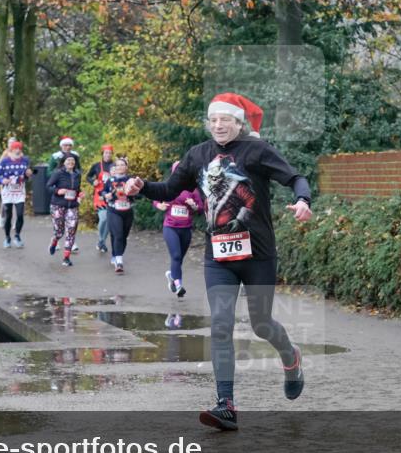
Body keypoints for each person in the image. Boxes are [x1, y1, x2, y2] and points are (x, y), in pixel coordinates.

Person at [125, 92, 313, 430]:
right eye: (213, 120)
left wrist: (302, 200)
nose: (218, 125)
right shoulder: (198, 155)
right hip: (219, 257)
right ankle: (226, 404)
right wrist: (142, 187)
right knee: (221, 325)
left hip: (258, 255)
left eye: (224, 119)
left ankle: (291, 357)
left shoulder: (257, 150)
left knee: (261, 324)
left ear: (239, 123)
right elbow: (169, 190)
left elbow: (295, 177)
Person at [153, 161, 203, 298]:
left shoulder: (193, 190)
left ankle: (172, 276)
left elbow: (200, 208)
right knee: (175, 256)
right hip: (170, 227)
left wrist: (194, 206)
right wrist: (159, 205)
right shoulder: (168, 187)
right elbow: (155, 199)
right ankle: (178, 285)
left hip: (186, 229)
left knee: (179, 259)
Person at [100, 156, 138, 273]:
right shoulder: (110, 180)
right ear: (115, 168)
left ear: (126, 167)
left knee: (123, 236)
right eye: (118, 165)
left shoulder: (131, 180)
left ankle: (116, 254)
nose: (120, 167)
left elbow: (139, 194)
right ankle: (119, 261)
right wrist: (106, 195)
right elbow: (103, 192)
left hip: (127, 211)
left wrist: (132, 193)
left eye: (123, 165)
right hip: (113, 210)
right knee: (118, 234)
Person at [0, 140, 32, 248]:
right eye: (15, 148)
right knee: (8, 215)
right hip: (7, 191)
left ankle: (17, 236)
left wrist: (28, 174)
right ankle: (7, 238)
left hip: (19, 191)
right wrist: (2, 180)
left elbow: (27, 174)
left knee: (20, 214)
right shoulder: (5, 161)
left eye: (19, 148)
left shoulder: (25, 160)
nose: (17, 150)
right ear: (11, 150)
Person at [46, 154, 83, 266]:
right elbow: (48, 186)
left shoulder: (77, 174)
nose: (71, 162)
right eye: (68, 160)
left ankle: (66, 258)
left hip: (72, 206)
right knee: (59, 232)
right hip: (58, 205)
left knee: (71, 230)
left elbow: (77, 189)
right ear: (63, 162)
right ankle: (54, 240)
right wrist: (58, 191)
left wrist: (80, 194)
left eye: (73, 160)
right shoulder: (58, 173)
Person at [86, 144, 114, 253]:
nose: (108, 155)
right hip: (100, 196)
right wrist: (93, 181)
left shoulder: (115, 165)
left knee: (109, 220)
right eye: (106, 153)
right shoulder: (97, 166)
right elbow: (88, 176)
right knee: (103, 218)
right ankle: (101, 241)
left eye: (110, 153)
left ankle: (101, 242)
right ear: (102, 154)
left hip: (111, 195)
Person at [0, 136, 17, 229]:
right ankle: (2, 217)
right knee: (5, 202)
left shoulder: (19, 153)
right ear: (8, 144)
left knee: (16, 201)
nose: (12, 144)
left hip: (15, 180)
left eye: (13, 142)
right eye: (10, 143)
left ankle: (15, 222)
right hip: (5, 180)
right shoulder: (5, 154)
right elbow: (0, 167)